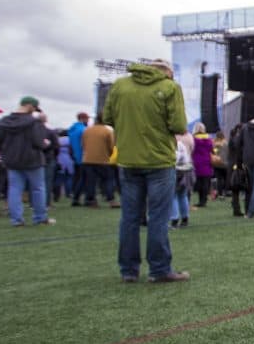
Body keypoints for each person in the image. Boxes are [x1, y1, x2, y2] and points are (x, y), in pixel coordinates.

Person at [102, 58, 189, 283]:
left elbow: (108, 118)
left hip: (128, 159)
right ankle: (159, 269)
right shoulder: (170, 87)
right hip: (159, 160)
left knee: (129, 218)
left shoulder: (120, 86)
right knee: (158, 217)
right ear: (168, 72)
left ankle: (128, 271)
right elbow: (179, 125)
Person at [0, 96, 55, 226]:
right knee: (38, 189)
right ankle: (40, 218)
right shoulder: (34, 122)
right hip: (33, 160)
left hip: (12, 160)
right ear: (30, 106)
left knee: (14, 189)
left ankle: (16, 220)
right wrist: (46, 143)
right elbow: (39, 142)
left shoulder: (3, 122)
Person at [81, 117, 118, 208]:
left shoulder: (87, 130)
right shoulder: (107, 131)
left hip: (88, 159)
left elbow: (83, 144)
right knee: (108, 180)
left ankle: (91, 200)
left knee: (91, 181)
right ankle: (111, 200)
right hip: (103, 160)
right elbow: (111, 146)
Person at [68, 111, 90, 206]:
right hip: (84, 156)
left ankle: (74, 196)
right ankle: (78, 198)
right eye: (87, 118)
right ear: (83, 119)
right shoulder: (84, 130)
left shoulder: (72, 130)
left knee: (77, 178)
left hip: (75, 157)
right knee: (84, 179)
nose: (88, 120)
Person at [192, 122, 214, 207]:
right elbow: (212, 150)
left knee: (199, 182)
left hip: (196, 161)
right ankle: (204, 200)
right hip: (207, 161)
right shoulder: (209, 139)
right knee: (206, 182)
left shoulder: (194, 139)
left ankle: (200, 200)